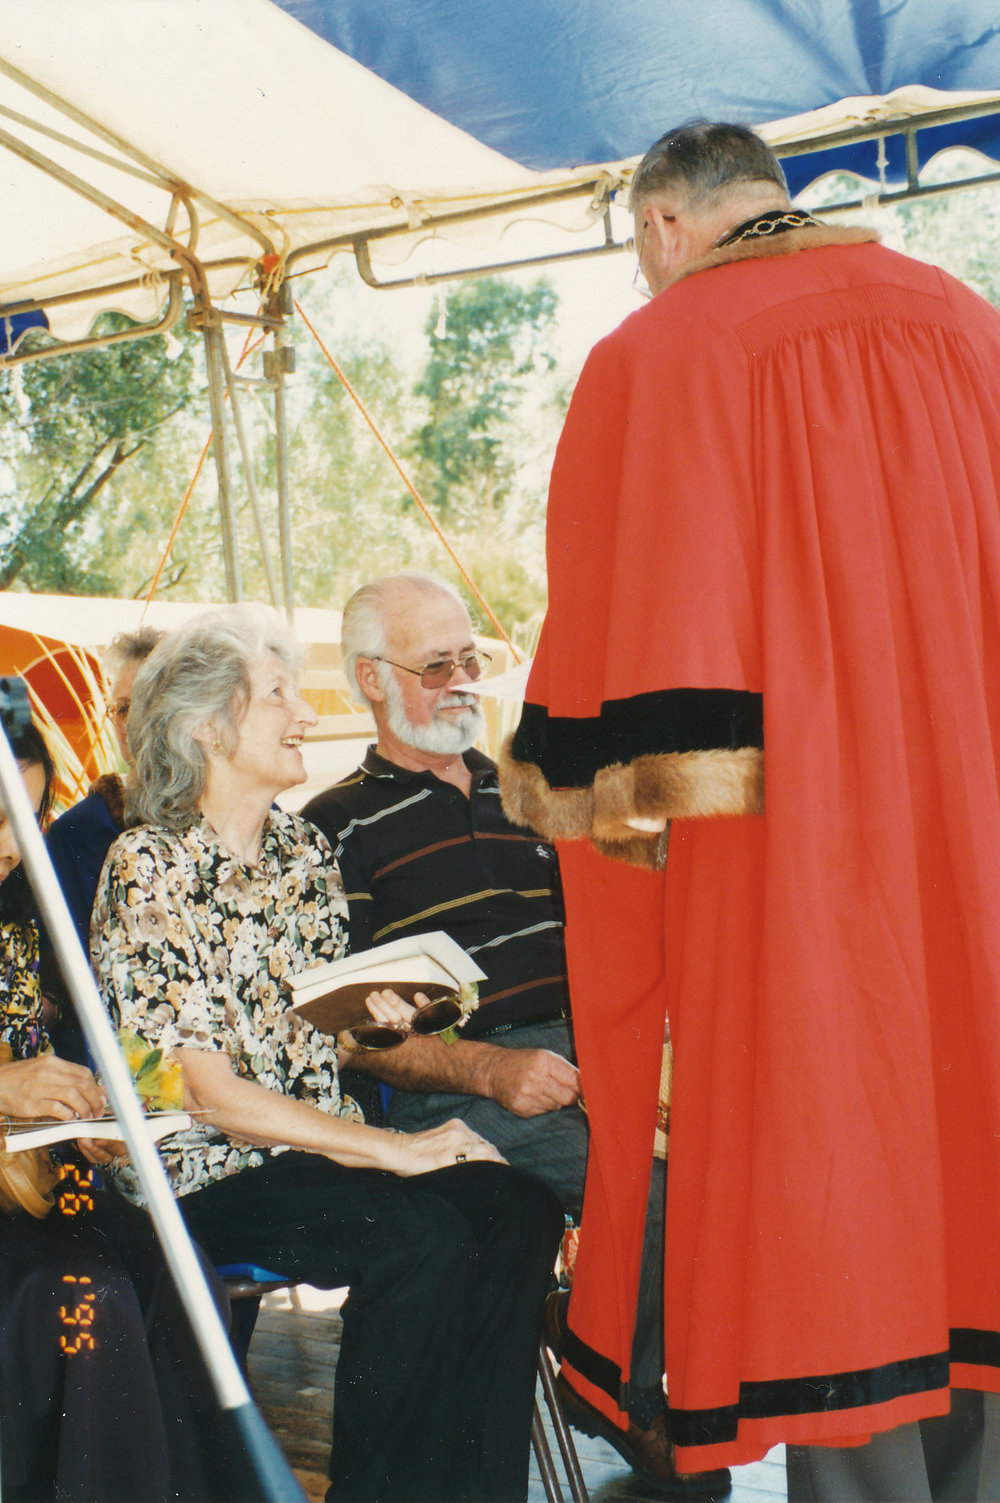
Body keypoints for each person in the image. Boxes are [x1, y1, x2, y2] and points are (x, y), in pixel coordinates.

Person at [499, 120, 1000, 1500]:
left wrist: (590, 816)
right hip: (968, 845)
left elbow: (603, 662)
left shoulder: (653, 359)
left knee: (827, 1184)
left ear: (661, 225)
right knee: (969, 1167)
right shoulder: (973, 329)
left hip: (787, 869)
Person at [92, 603, 564, 1503]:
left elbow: (329, 1031)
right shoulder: (146, 865)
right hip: (209, 1171)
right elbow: (207, 1093)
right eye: (278, 695)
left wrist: (385, 1015)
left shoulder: (303, 852)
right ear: (208, 726)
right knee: (417, 1234)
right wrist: (397, 1148)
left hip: (315, 1156)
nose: (306, 712)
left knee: (518, 1206)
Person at [300, 571, 712, 1494]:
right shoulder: (331, 829)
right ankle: (619, 1388)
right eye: (434, 663)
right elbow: (349, 1034)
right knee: (640, 1193)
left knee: (728, 1174)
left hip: (597, 1046)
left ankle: (605, 1353)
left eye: (470, 658)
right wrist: (491, 1068)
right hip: (452, 1085)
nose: (461, 679)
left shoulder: (536, 792)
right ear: (369, 678)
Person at [0, 718, 225, 1503]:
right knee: (82, 1300)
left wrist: (80, 1115)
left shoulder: (15, 909)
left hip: (30, 1183)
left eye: (27, 818)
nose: (12, 845)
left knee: (178, 1272)